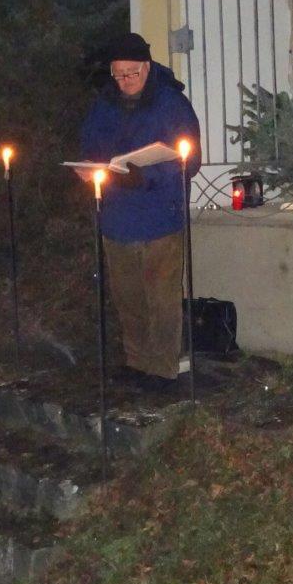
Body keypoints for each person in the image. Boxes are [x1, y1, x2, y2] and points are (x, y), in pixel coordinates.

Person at [78, 31, 201, 392]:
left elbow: (188, 159)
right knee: (127, 296)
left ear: (147, 67)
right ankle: (137, 362)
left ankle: (162, 370)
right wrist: (93, 166)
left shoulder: (171, 103)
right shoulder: (104, 103)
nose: (124, 81)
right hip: (117, 216)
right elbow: (90, 143)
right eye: (118, 75)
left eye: (131, 73)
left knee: (161, 298)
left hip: (160, 215)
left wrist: (144, 176)